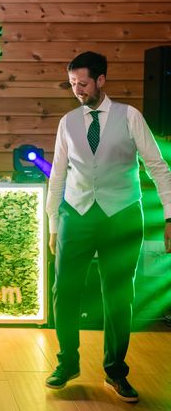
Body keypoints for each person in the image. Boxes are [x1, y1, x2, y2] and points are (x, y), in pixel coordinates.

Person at [45, 52, 171, 402]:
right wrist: (55, 223)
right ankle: (67, 361)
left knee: (118, 296)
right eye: (72, 84)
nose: (77, 90)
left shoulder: (130, 117)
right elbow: (57, 175)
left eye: (83, 83)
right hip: (77, 214)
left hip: (123, 214)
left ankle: (115, 371)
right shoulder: (67, 122)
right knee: (64, 291)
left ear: (101, 80)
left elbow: (157, 167)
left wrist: (170, 214)